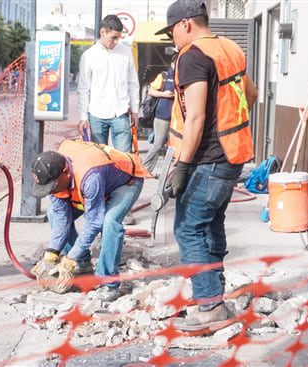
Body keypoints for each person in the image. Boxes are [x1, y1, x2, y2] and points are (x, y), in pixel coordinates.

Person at [155, 0, 258, 331]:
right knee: (210, 224)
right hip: (231, 156)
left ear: (186, 24)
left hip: (208, 159)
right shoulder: (230, 48)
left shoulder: (193, 56)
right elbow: (251, 95)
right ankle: (213, 295)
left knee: (188, 227)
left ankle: (210, 307)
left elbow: (196, 116)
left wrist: (183, 166)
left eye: (172, 30)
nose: (172, 38)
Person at [30, 140, 152, 301]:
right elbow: (60, 217)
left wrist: (69, 258)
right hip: (93, 185)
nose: (50, 192)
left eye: (52, 187)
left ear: (65, 173)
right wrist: (51, 253)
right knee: (53, 212)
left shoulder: (90, 176)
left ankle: (109, 284)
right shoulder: (55, 173)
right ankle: (82, 263)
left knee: (109, 222)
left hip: (125, 182)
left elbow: (94, 221)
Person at [77, 14, 140, 225]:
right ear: (102, 32)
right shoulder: (89, 56)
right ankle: (99, 204)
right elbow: (83, 88)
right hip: (96, 114)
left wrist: (136, 109)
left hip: (121, 112)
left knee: (124, 161)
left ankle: (123, 208)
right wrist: (83, 117)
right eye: (113, 37)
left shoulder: (125, 53)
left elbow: (133, 82)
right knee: (98, 163)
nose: (116, 42)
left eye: (118, 38)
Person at [142, 66, 175, 174]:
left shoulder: (183, 76)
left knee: (170, 146)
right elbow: (150, 91)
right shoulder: (164, 76)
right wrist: (164, 94)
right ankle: (144, 168)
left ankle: (165, 172)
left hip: (176, 117)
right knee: (158, 144)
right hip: (162, 115)